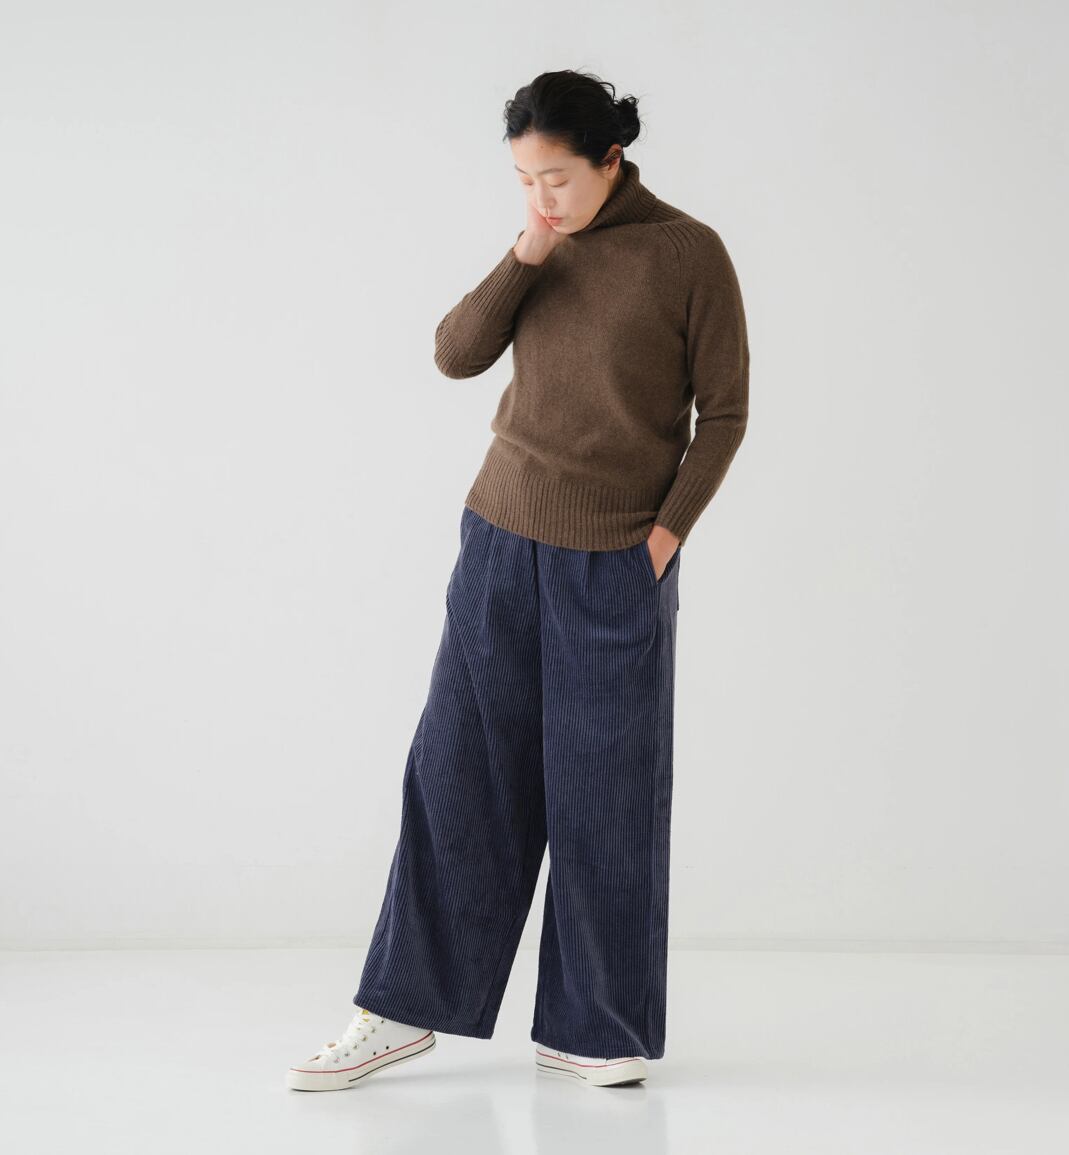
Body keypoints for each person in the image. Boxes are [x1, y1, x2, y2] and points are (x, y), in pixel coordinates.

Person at [286, 68, 750, 1092]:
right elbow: (455, 355)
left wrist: (664, 537)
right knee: (456, 773)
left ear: (612, 160)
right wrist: (526, 254)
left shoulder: (687, 254)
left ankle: (593, 1026)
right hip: (499, 540)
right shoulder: (541, 245)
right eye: (524, 181)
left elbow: (724, 414)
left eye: (558, 179)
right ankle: (400, 1009)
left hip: (615, 562)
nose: (542, 198)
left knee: (607, 794)